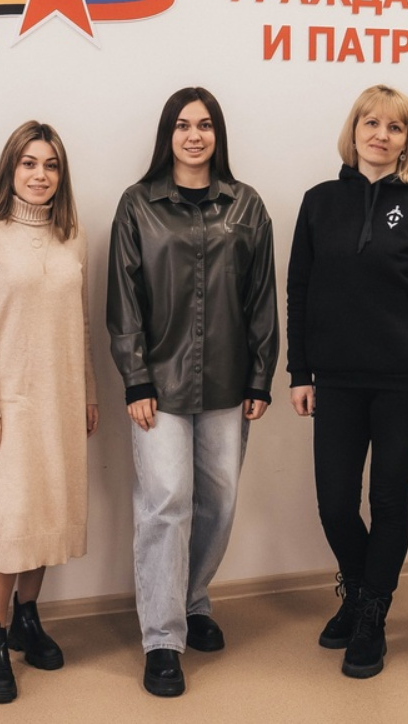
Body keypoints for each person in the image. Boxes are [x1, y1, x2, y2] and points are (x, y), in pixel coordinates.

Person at [287, 86, 408, 679]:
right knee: (336, 503)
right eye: (371, 123)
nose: (380, 135)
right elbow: (299, 290)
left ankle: (371, 615)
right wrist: (300, 372)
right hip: (337, 381)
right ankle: (361, 589)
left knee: (388, 500)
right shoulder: (319, 202)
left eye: (395, 127)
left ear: (407, 139)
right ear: (354, 130)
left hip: (405, 384)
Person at [106, 86, 279, 698]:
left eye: (204, 125)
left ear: (217, 135)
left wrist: (261, 375)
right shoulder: (138, 204)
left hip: (229, 382)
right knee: (166, 502)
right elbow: (124, 300)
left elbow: (262, 296)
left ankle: (192, 597)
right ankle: (162, 639)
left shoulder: (246, 205)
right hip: (158, 384)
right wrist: (135, 377)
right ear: (168, 135)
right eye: (182, 125)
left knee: (220, 502)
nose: (194, 135)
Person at [0, 121, 99, 704]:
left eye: (51, 165)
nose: (40, 175)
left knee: (50, 510)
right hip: (11, 403)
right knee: (11, 518)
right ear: (11, 169)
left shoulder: (73, 237)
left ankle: (27, 617)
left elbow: (82, 322)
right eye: (29, 163)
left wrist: (88, 391)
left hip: (62, 398)